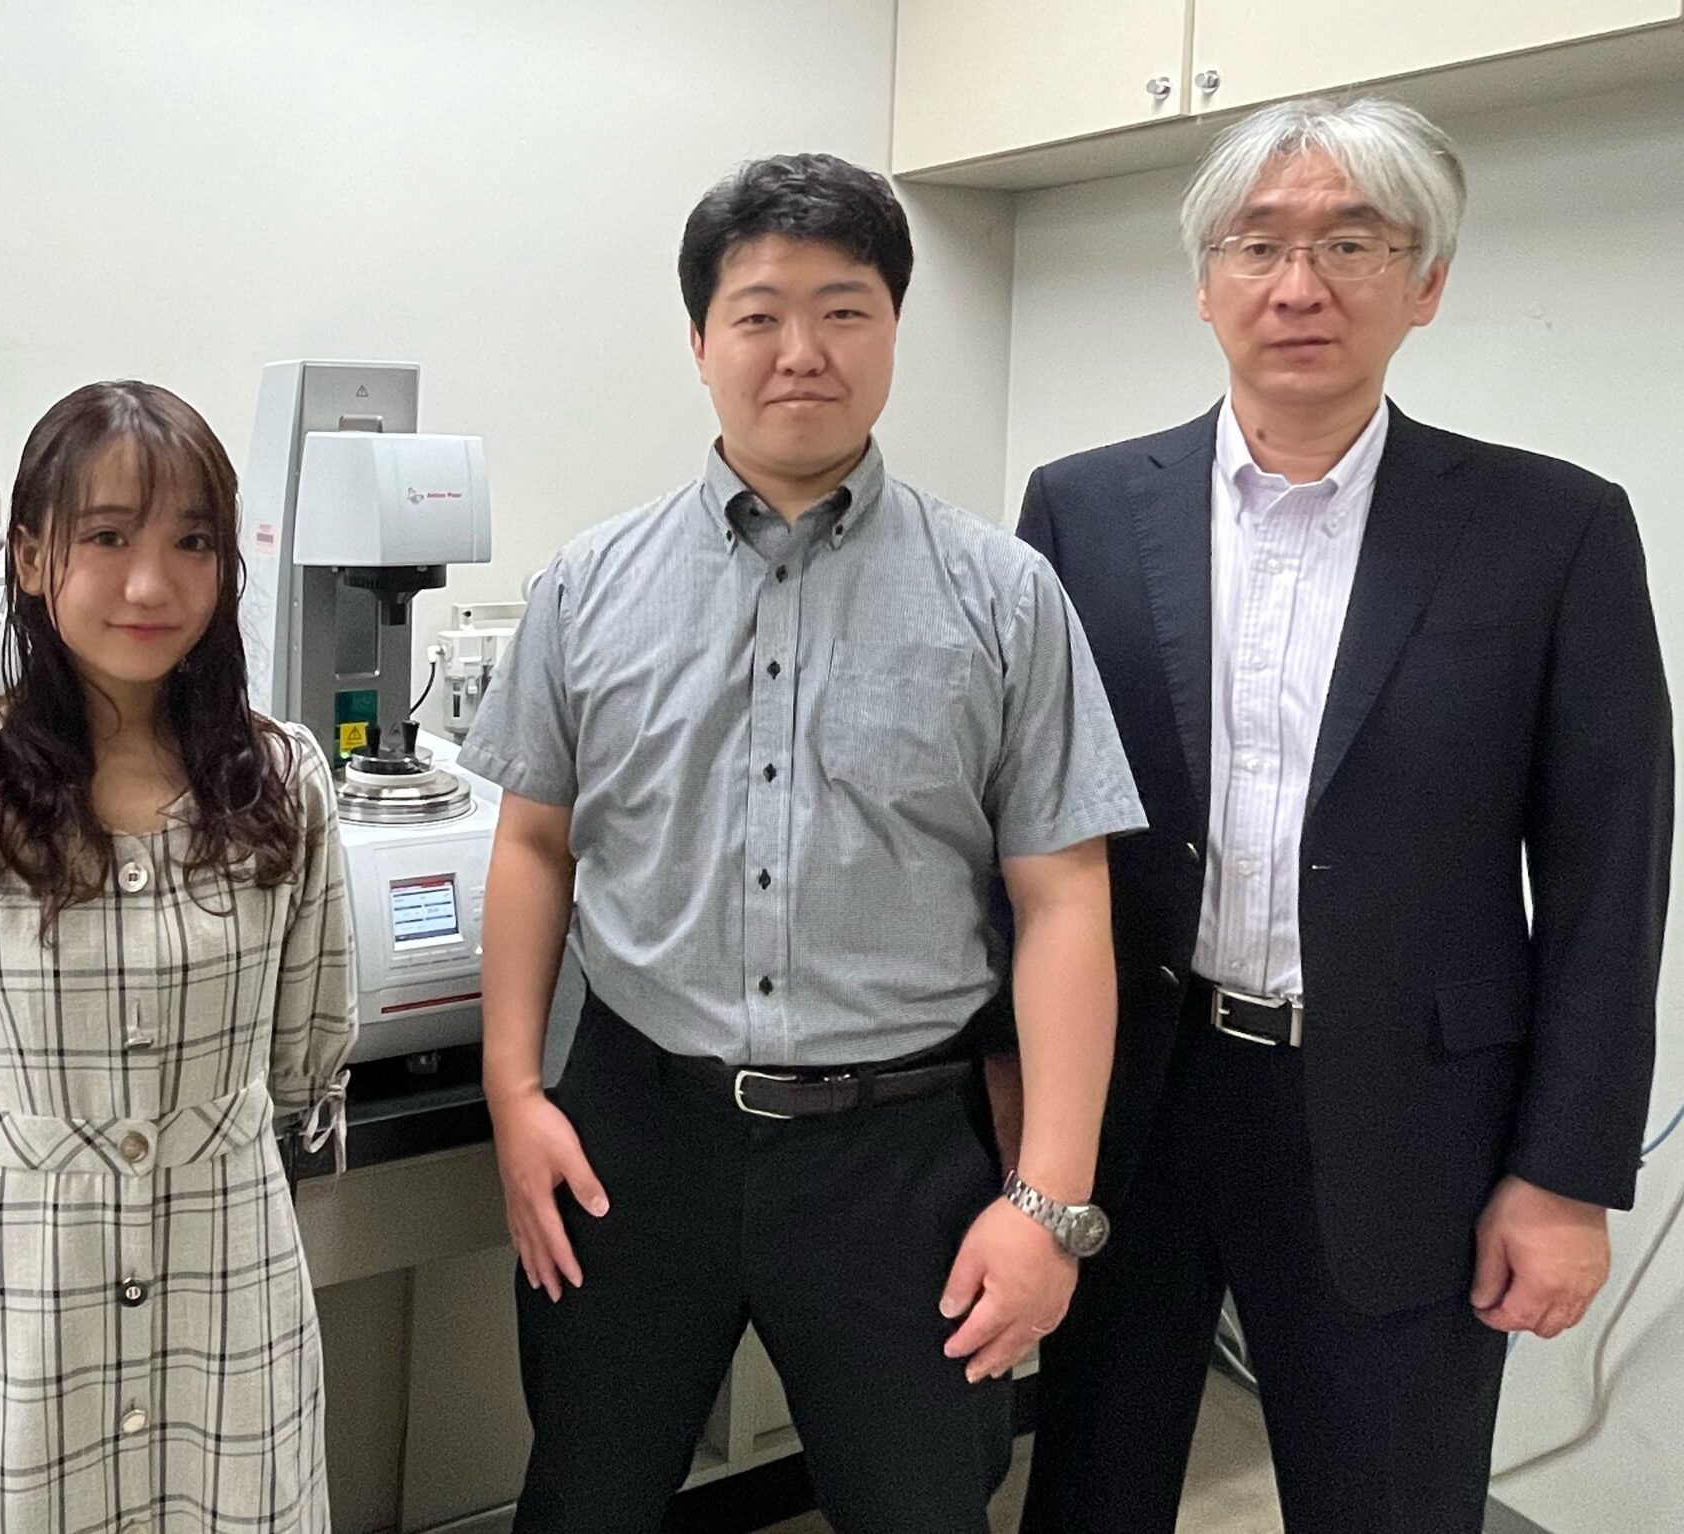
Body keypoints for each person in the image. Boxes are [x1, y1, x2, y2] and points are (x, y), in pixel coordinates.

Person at [456, 152, 1145, 1534]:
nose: (800, 352)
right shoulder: (589, 586)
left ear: (892, 330)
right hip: (634, 1142)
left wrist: (1050, 1197)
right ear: (702, 341)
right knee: (582, 1497)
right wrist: (516, 1093)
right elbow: (536, 847)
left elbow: (1067, 897)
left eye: (844, 310)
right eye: (759, 313)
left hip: (901, 1157)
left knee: (922, 1507)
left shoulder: (1003, 595)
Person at [1013, 98, 1672, 1534]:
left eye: (1351, 243)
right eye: (1259, 244)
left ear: (1425, 281)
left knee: (1389, 1498)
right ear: (1205, 282)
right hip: (1133, 1101)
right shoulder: (1079, 512)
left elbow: (1609, 871)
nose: (1299, 283)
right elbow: (1024, 836)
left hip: (1409, 1119)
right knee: (1089, 1486)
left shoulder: (1552, 530)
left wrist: (1564, 1175)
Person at [0, 379, 355, 1534]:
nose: (150, 583)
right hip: (19, 1293)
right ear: (30, 558)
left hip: (225, 1277)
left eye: (192, 542)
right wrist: (37, 1168)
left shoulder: (283, 783)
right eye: (108, 536)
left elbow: (305, 1049)